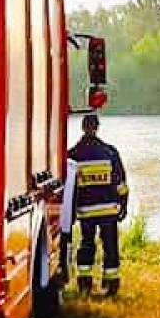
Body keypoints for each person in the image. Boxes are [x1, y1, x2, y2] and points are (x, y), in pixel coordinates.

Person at [65, 114, 128, 296]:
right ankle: (111, 285)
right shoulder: (109, 152)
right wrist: (123, 206)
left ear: (83, 127)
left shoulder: (73, 155)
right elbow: (121, 185)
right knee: (110, 247)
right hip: (109, 210)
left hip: (85, 212)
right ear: (97, 127)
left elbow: (69, 188)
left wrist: (69, 214)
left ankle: (84, 284)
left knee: (86, 244)